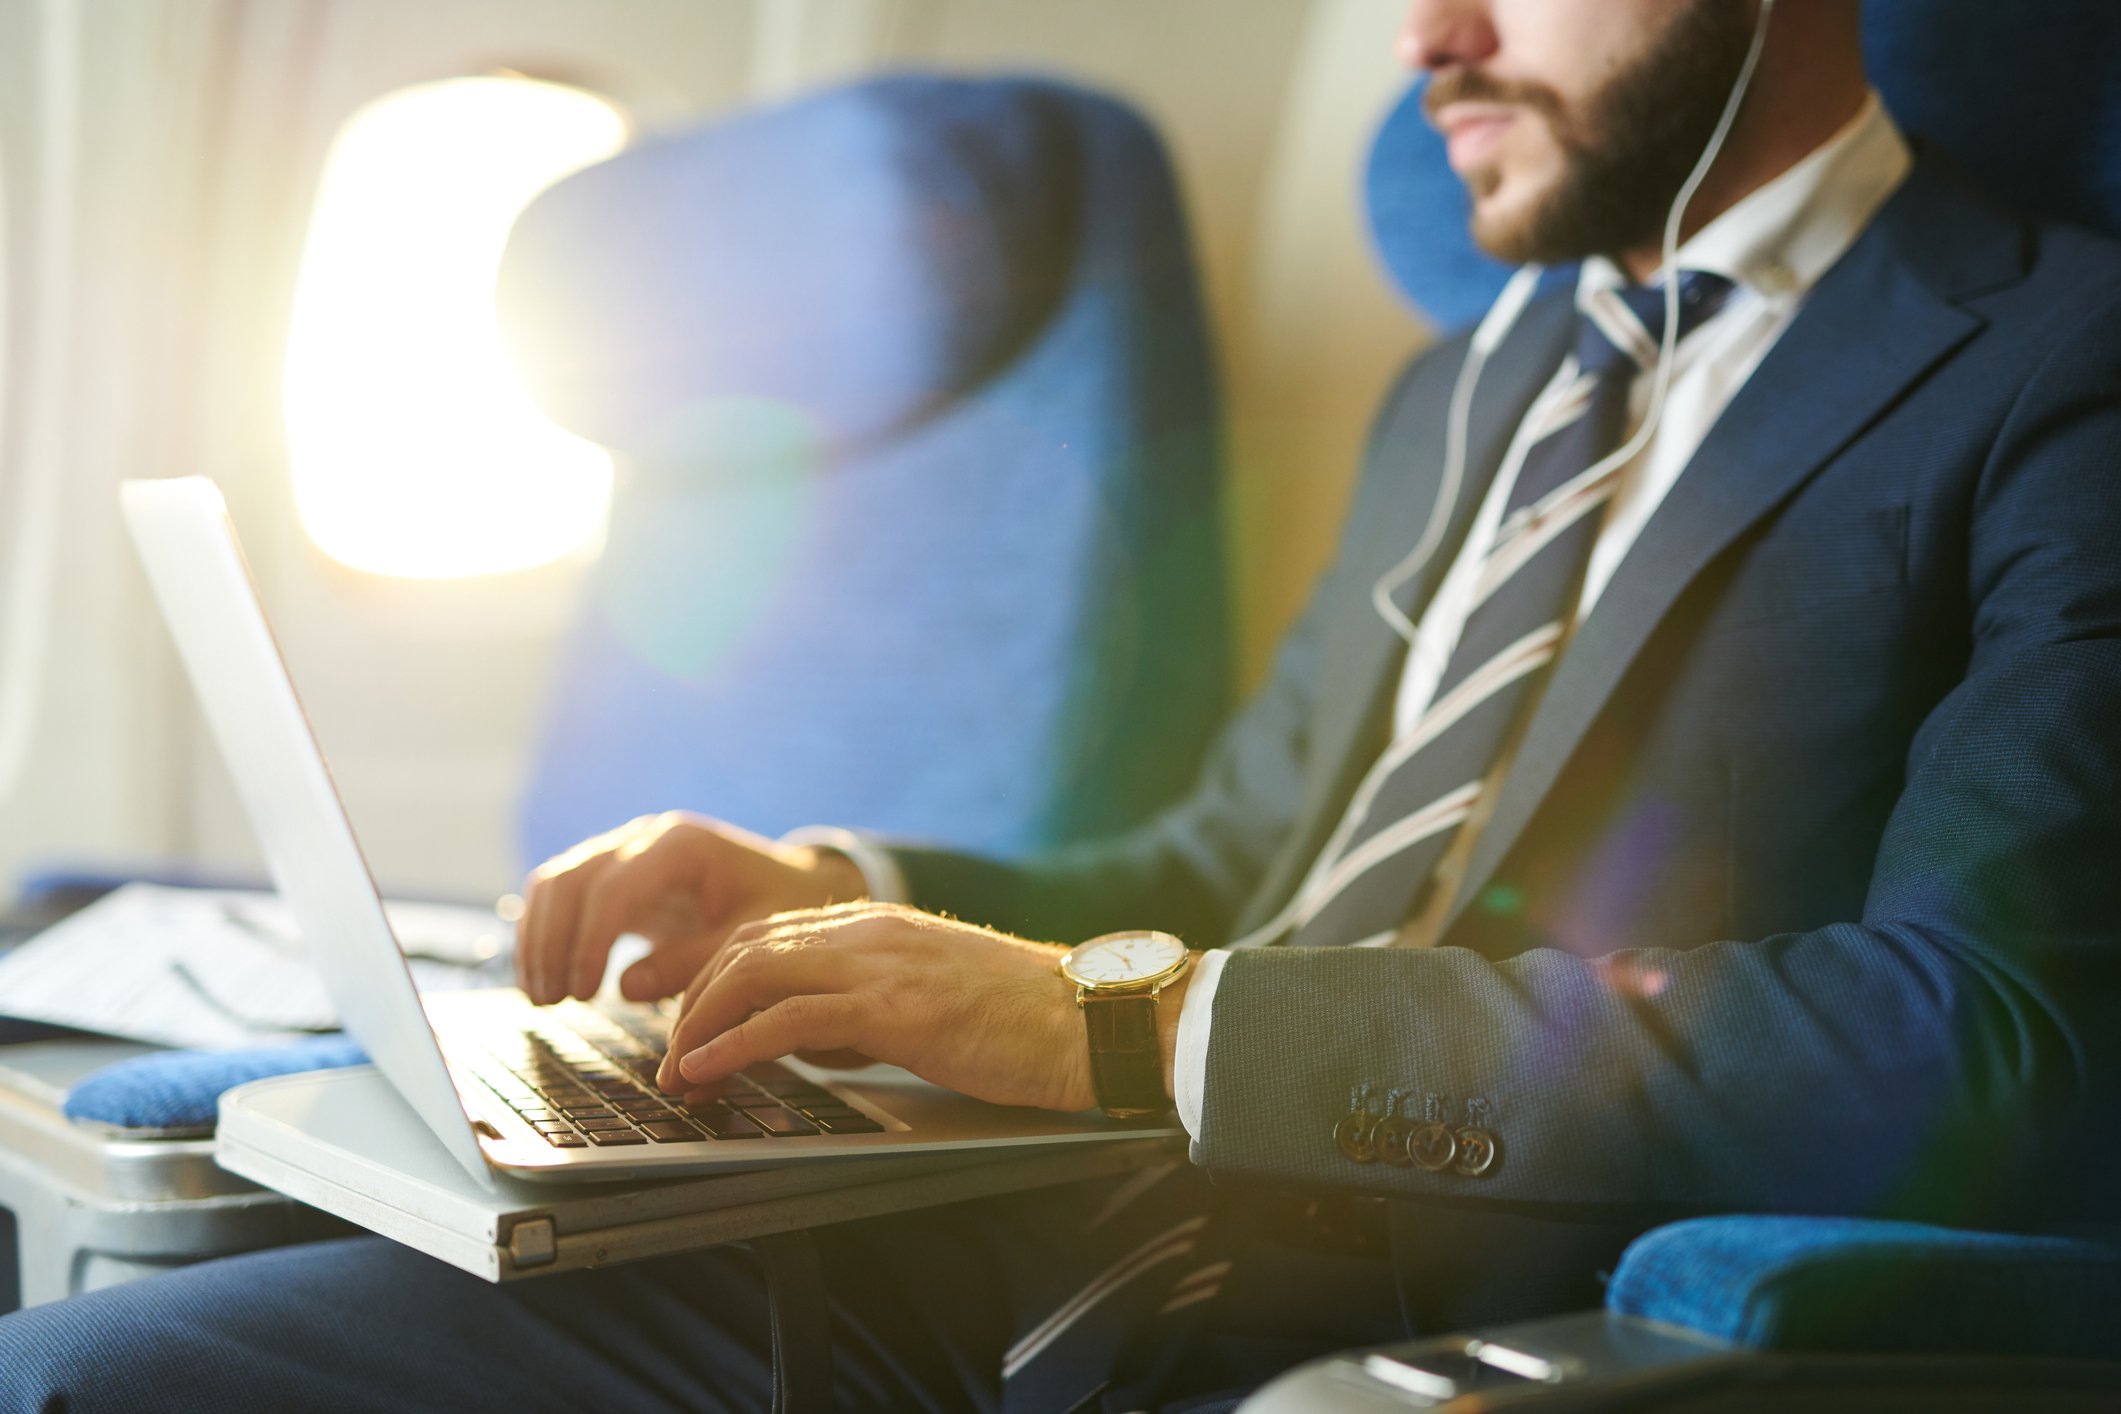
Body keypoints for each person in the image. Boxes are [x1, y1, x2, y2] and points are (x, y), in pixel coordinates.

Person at [6, 0, 2120, 1408]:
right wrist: (845, 890)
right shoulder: (1467, 383)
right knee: (98, 1376)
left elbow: (1978, 1037)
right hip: (1006, 1234)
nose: (1427, 39)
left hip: (1411, 1317)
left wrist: (1124, 1025)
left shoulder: (2056, 361)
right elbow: (1230, 861)